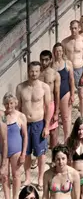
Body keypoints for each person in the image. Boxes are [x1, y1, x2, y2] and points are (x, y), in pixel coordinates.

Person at [16, 61, 52, 191]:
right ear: (28, 71)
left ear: (40, 71)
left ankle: (41, 179)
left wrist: (47, 126)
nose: (34, 74)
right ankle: (27, 178)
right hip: (25, 123)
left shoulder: (44, 87)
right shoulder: (20, 87)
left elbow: (48, 107)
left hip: (39, 123)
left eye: (37, 71)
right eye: (32, 71)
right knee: (26, 152)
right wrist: (18, 125)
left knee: (40, 154)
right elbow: (18, 107)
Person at [1, 92, 27, 199]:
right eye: (6, 104)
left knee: (16, 175)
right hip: (4, 151)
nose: (9, 106)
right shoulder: (3, 117)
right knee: (4, 176)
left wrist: (23, 153)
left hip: (17, 149)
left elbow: (25, 136)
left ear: (15, 103)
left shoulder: (20, 116)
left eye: (11, 103)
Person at [62, 21, 83, 118]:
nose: (73, 30)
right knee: (69, 94)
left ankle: (82, 117)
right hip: (69, 70)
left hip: (79, 69)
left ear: (79, 28)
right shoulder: (65, 42)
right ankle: (68, 115)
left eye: (75, 28)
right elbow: (63, 57)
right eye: (72, 28)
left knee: (81, 94)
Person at [38, 51, 59, 149]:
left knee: (53, 131)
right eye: (42, 60)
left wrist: (56, 111)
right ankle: (42, 153)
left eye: (46, 60)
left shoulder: (55, 74)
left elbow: (57, 93)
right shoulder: (37, 73)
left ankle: (54, 156)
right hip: (39, 105)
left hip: (50, 103)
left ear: (51, 60)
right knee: (40, 129)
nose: (44, 62)